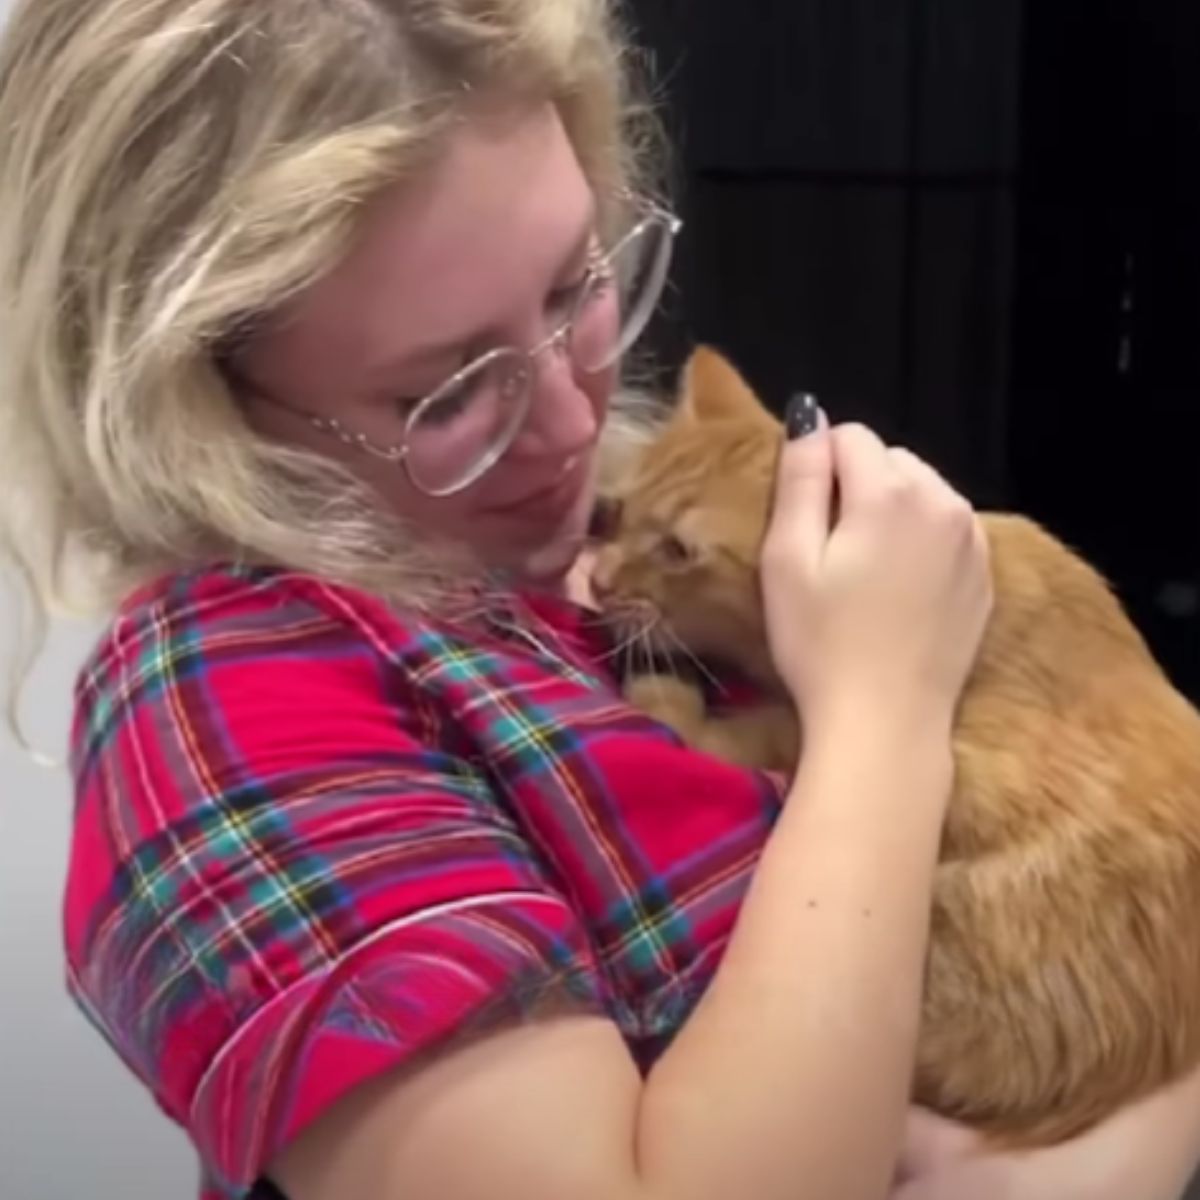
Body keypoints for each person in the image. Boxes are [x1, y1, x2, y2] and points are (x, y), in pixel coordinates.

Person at [1, 3, 1198, 1199]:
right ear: (199, 418)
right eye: (450, 394)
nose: (580, 428)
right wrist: (886, 710)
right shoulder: (231, 700)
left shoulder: (566, 558)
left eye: (579, 288)